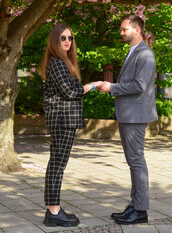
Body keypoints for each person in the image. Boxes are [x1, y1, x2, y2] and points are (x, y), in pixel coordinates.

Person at [97, 15, 158, 225]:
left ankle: (140, 210)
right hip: (129, 115)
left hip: (135, 116)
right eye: (122, 29)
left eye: (124, 29)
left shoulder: (145, 54)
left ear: (137, 30)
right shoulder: (134, 52)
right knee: (134, 162)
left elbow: (139, 85)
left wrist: (111, 88)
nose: (121, 33)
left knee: (136, 161)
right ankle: (135, 205)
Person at [39, 24, 101, 227]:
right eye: (63, 38)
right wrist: (92, 85)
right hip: (62, 120)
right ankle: (54, 211)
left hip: (64, 120)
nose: (67, 41)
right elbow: (70, 92)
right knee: (57, 165)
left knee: (57, 164)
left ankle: (53, 210)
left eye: (70, 38)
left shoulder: (63, 62)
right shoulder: (57, 63)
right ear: (55, 40)